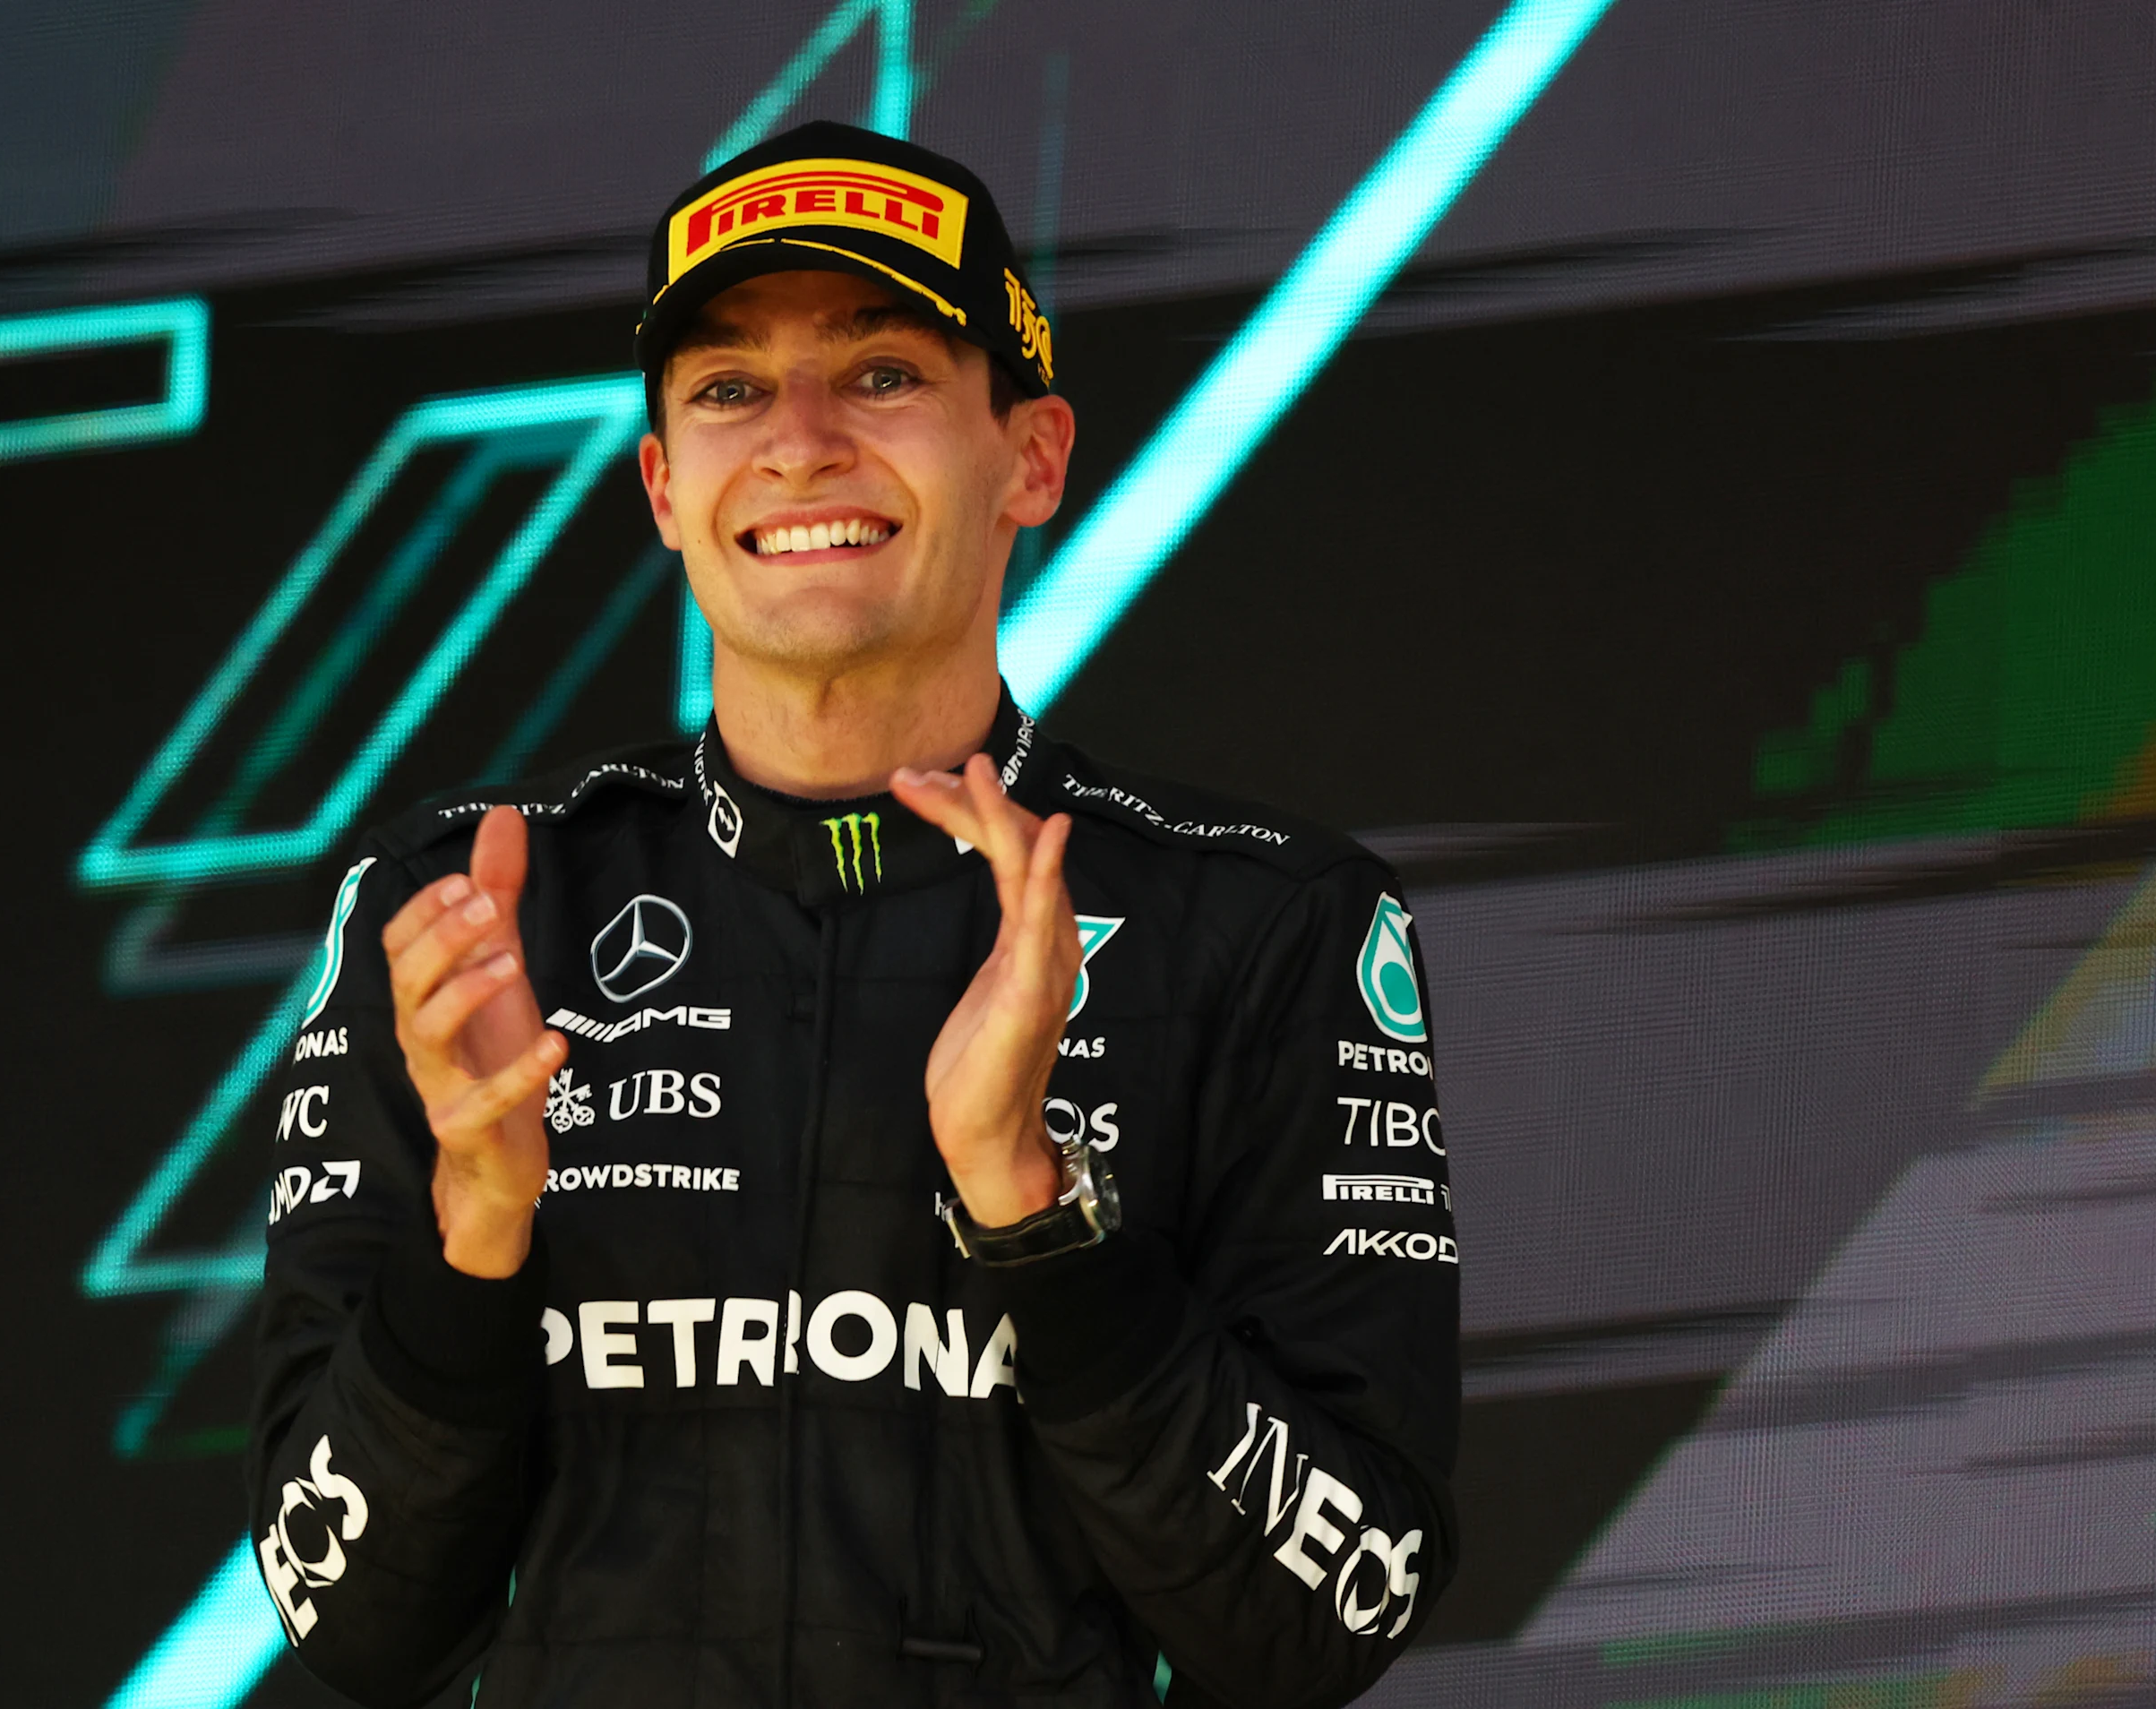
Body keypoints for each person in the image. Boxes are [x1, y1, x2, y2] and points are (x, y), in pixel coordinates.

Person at [249, 121, 1457, 1709]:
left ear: (1032, 457)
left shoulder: (1265, 924)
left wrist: (1033, 1211)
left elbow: (1332, 1618)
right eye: (730, 388)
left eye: (882, 374)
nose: (800, 441)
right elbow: (349, 1621)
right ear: (665, 489)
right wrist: (477, 1230)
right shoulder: (458, 913)